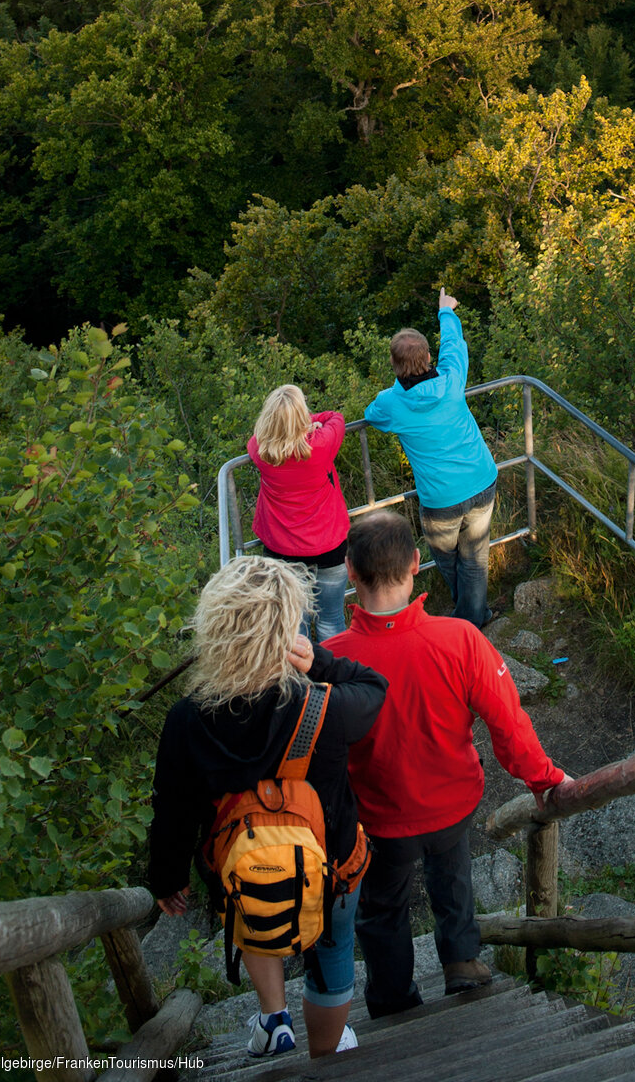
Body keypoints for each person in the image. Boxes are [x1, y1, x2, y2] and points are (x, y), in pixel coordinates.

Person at [324, 510, 568, 1020]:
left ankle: (392, 997)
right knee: (453, 878)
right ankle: (461, 960)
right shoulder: (460, 640)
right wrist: (546, 779)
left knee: (383, 909)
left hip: (381, 820)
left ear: (350, 571)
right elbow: (508, 723)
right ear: (416, 563)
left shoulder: (332, 660)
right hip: (452, 804)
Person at [150, 556, 388, 1059]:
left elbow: (173, 809)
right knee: (334, 950)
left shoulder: (187, 720)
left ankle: (275, 1019)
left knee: (255, 909)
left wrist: (165, 878)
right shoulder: (321, 705)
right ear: (286, 629)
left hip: (242, 862)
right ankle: (325, 1052)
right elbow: (373, 688)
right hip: (333, 862)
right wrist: (319, 661)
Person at [364, 287, 497, 627]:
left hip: (441, 500)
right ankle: (474, 614)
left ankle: (467, 621)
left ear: (395, 365)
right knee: (474, 557)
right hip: (481, 480)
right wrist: (445, 312)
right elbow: (453, 346)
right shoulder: (452, 380)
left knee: (447, 559)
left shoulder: (392, 404)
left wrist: (395, 389)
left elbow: (372, 414)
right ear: (426, 359)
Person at [249, 384, 350, 641]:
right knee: (331, 619)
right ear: (301, 416)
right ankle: (333, 678)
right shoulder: (321, 444)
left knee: (294, 625)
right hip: (329, 543)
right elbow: (335, 418)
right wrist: (309, 425)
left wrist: (292, 427)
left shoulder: (260, 451)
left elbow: (258, 436)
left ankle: (302, 680)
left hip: (282, 548)